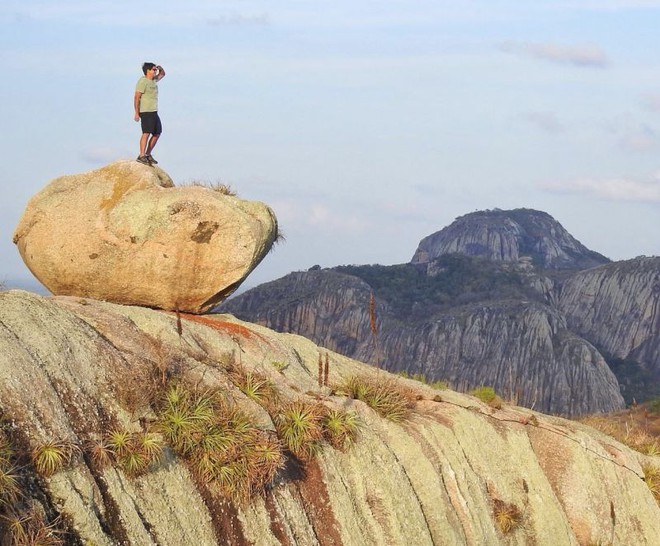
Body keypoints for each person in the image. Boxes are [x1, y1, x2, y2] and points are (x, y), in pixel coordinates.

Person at [134, 62, 166, 165]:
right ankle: (142, 155)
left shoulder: (154, 80)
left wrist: (159, 67)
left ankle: (148, 154)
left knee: (157, 133)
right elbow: (137, 97)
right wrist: (136, 113)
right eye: (153, 69)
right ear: (147, 71)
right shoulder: (143, 81)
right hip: (145, 111)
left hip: (154, 111)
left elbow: (163, 74)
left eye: (155, 69)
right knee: (146, 133)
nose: (155, 71)